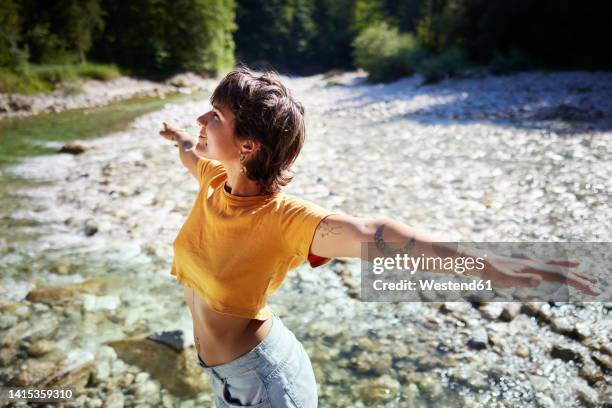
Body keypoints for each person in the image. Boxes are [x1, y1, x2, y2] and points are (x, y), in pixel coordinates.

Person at [159, 67, 600, 407]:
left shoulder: (284, 219)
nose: (200, 119)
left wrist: (509, 271)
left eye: (214, 116)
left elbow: (382, 235)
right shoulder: (214, 179)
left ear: (248, 145)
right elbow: (186, 152)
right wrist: (180, 136)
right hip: (226, 379)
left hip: (267, 384)